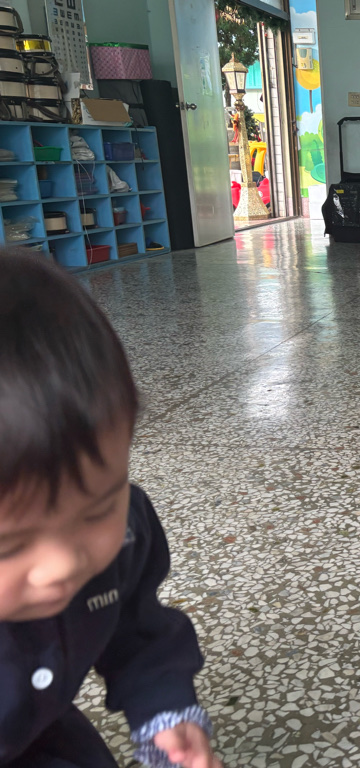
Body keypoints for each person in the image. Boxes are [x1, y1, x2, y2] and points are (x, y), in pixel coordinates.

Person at [0, 249, 222, 768]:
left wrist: (164, 713)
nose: (64, 565)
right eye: (9, 545)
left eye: (96, 511)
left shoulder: (126, 532)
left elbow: (135, 629)